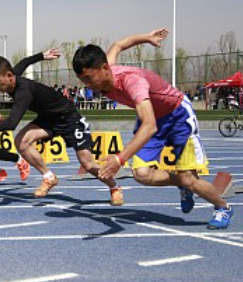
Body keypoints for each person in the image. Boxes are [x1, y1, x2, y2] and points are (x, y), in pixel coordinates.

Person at [72, 28, 233, 229]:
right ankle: (181, 183)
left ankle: (222, 207)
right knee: (142, 174)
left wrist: (119, 158)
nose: (87, 85)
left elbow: (149, 126)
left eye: (89, 78)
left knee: (190, 178)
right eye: (82, 80)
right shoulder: (106, 69)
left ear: (104, 68)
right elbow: (119, 44)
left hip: (178, 116)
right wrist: (146, 38)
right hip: (155, 115)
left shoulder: (132, 82)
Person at [0, 50, 124, 204]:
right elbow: (24, 62)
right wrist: (42, 56)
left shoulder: (23, 92)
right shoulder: (11, 76)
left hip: (69, 119)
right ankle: (49, 177)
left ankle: (114, 187)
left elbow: (11, 123)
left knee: (87, 164)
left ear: (9, 75)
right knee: (21, 142)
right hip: (48, 119)